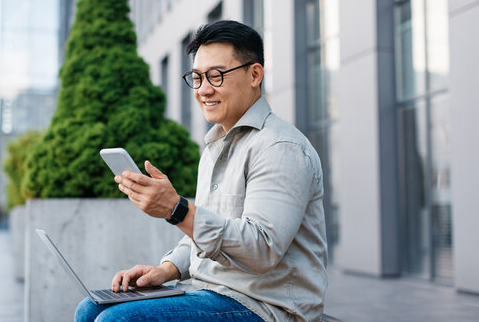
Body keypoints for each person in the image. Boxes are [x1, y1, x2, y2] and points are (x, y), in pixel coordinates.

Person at [75, 20, 328, 322]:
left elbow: (261, 250)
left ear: (255, 75)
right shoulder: (215, 145)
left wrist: (177, 209)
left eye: (216, 76)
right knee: (91, 308)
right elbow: (207, 232)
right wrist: (166, 270)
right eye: (196, 78)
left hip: (267, 307)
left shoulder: (280, 147)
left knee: (116, 321)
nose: (204, 90)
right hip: (212, 291)